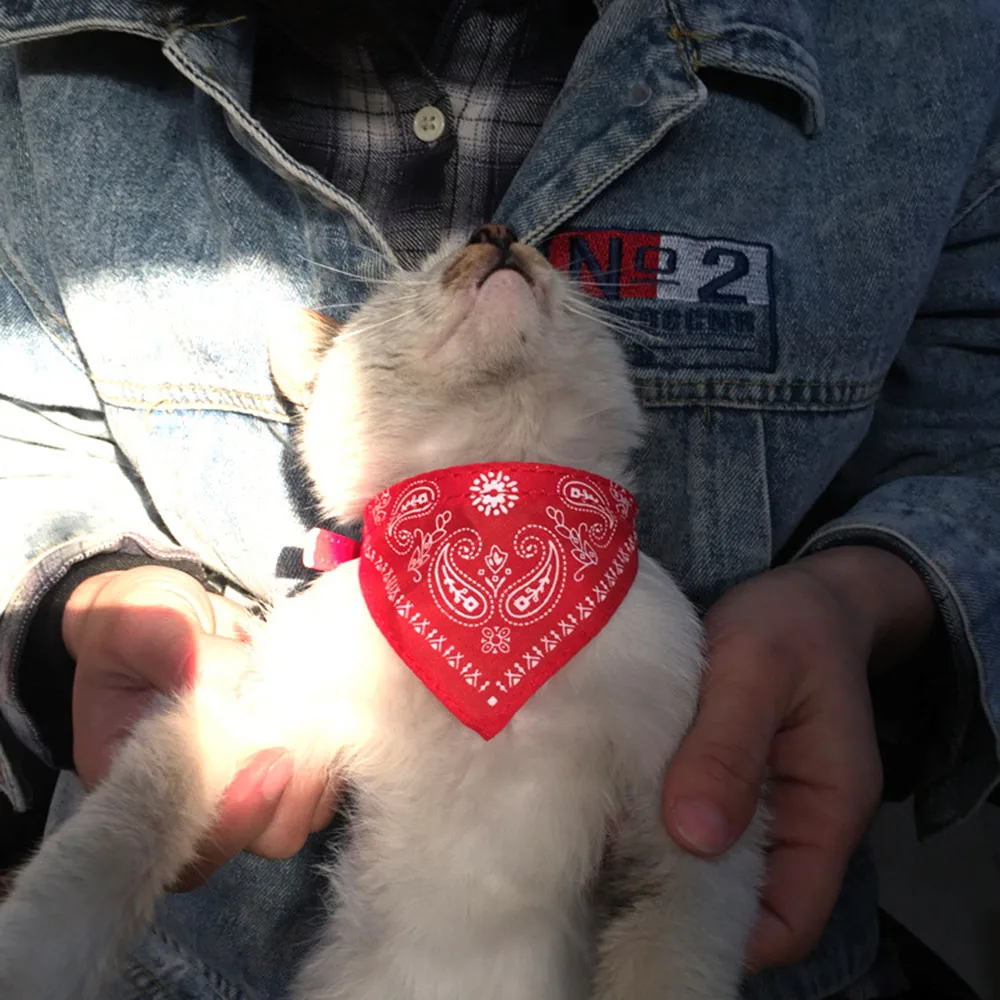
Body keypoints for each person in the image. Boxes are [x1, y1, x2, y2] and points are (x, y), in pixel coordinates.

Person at [0, 0, 997, 997]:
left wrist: (869, 593)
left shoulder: (648, 625)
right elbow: (202, 743)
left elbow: (695, 876)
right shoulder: (354, 610)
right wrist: (92, 599)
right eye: (404, 293)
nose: (494, 245)